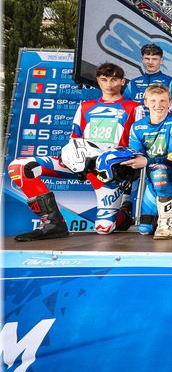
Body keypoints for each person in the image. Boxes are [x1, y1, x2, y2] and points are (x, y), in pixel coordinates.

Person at [10, 63, 141, 241]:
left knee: (104, 228)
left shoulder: (134, 107)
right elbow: (74, 138)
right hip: (79, 163)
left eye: (114, 79)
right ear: (98, 81)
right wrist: (69, 155)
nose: (109, 84)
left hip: (108, 171)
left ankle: (123, 214)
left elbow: (138, 145)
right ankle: (53, 223)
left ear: (123, 81)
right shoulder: (85, 106)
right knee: (20, 167)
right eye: (104, 79)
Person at [124, 84, 172, 239]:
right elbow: (136, 156)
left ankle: (166, 223)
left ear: (170, 103)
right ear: (145, 102)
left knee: (160, 171)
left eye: (163, 101)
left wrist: (146, 161)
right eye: (153, 101)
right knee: (145, 229)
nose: (158, 105)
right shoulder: (137, 127)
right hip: (151, 178)